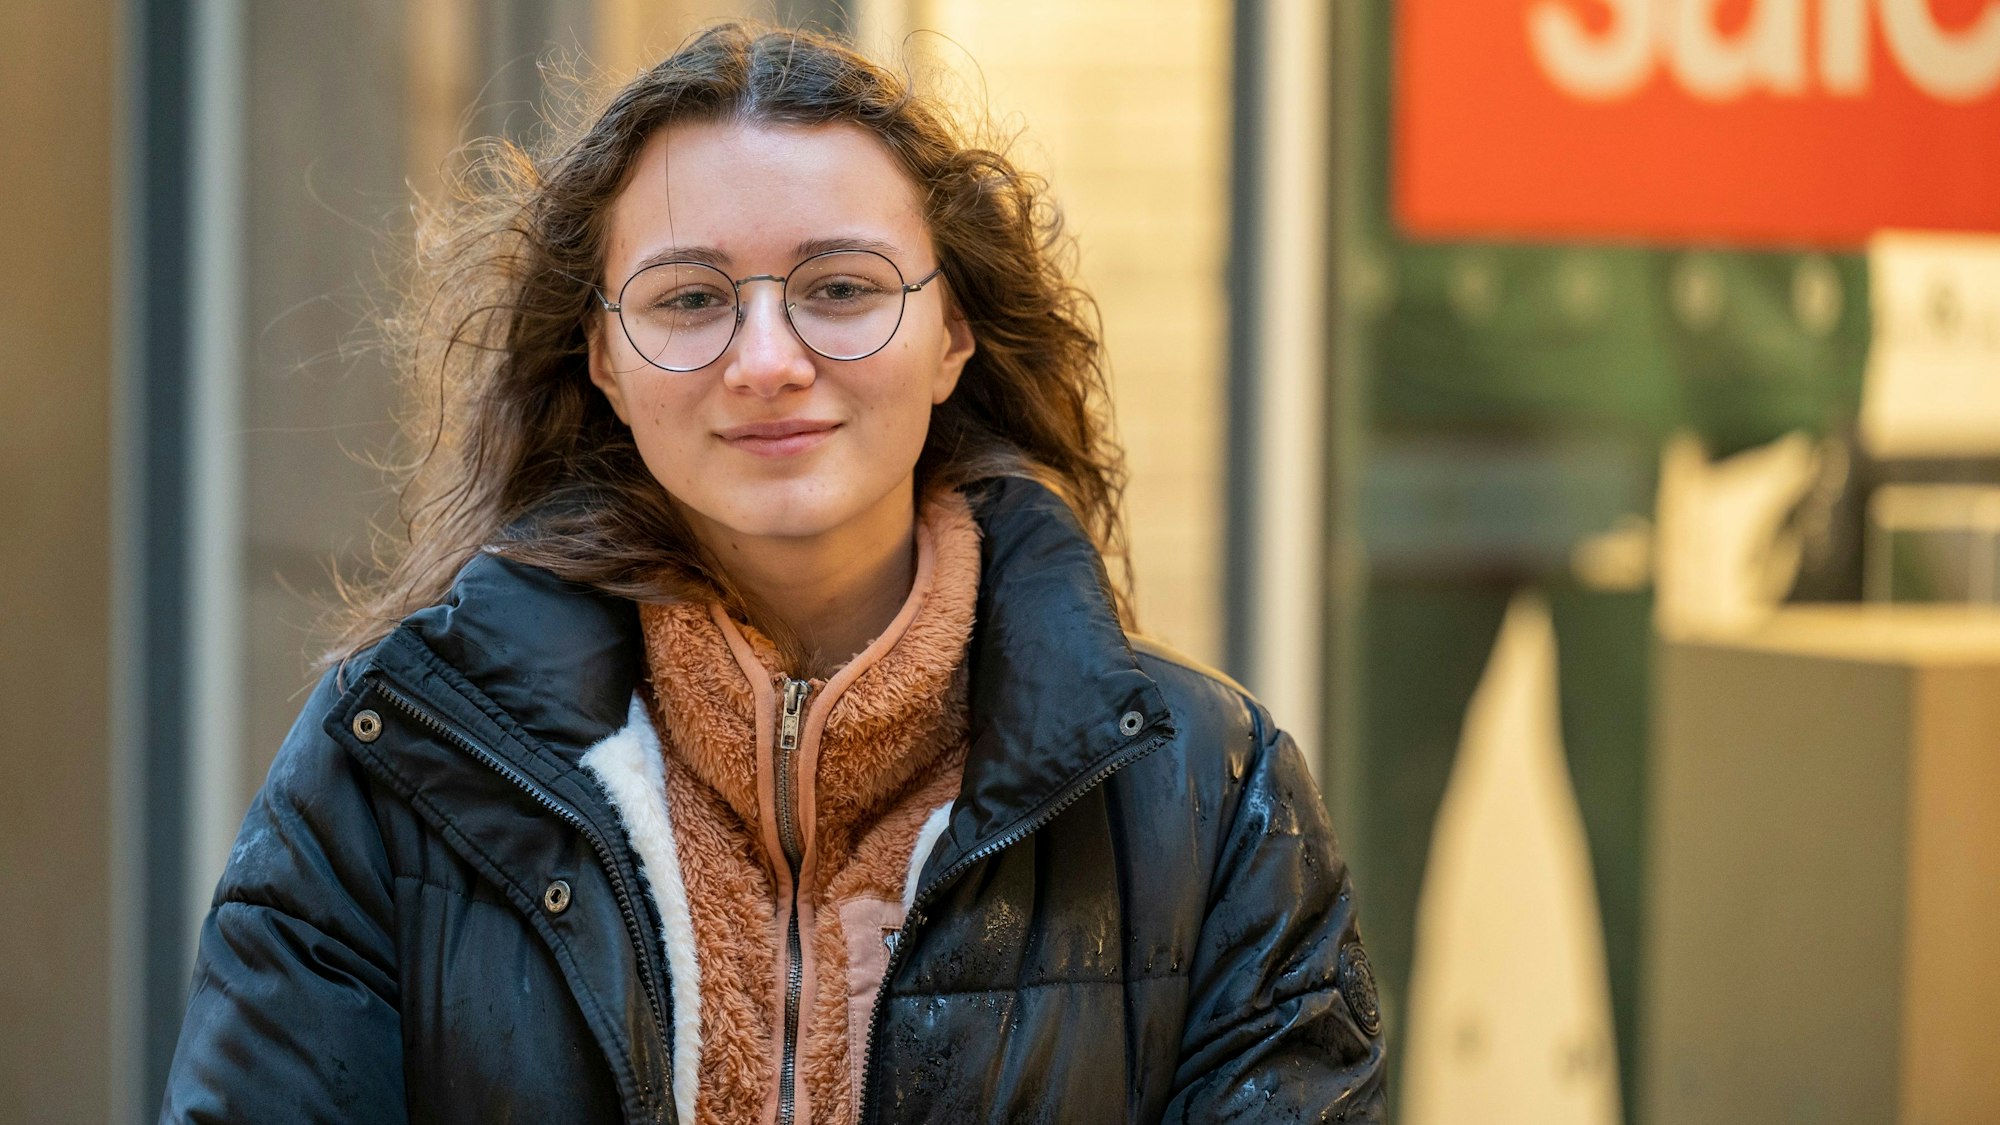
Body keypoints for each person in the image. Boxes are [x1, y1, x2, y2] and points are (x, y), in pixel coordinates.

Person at [161, 21, 1385, 1125]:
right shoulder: (394, 762)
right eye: (690, 298)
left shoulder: (1206, 796)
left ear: (950, 332)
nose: (765, 359)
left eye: (839, 289)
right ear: (601, 356)